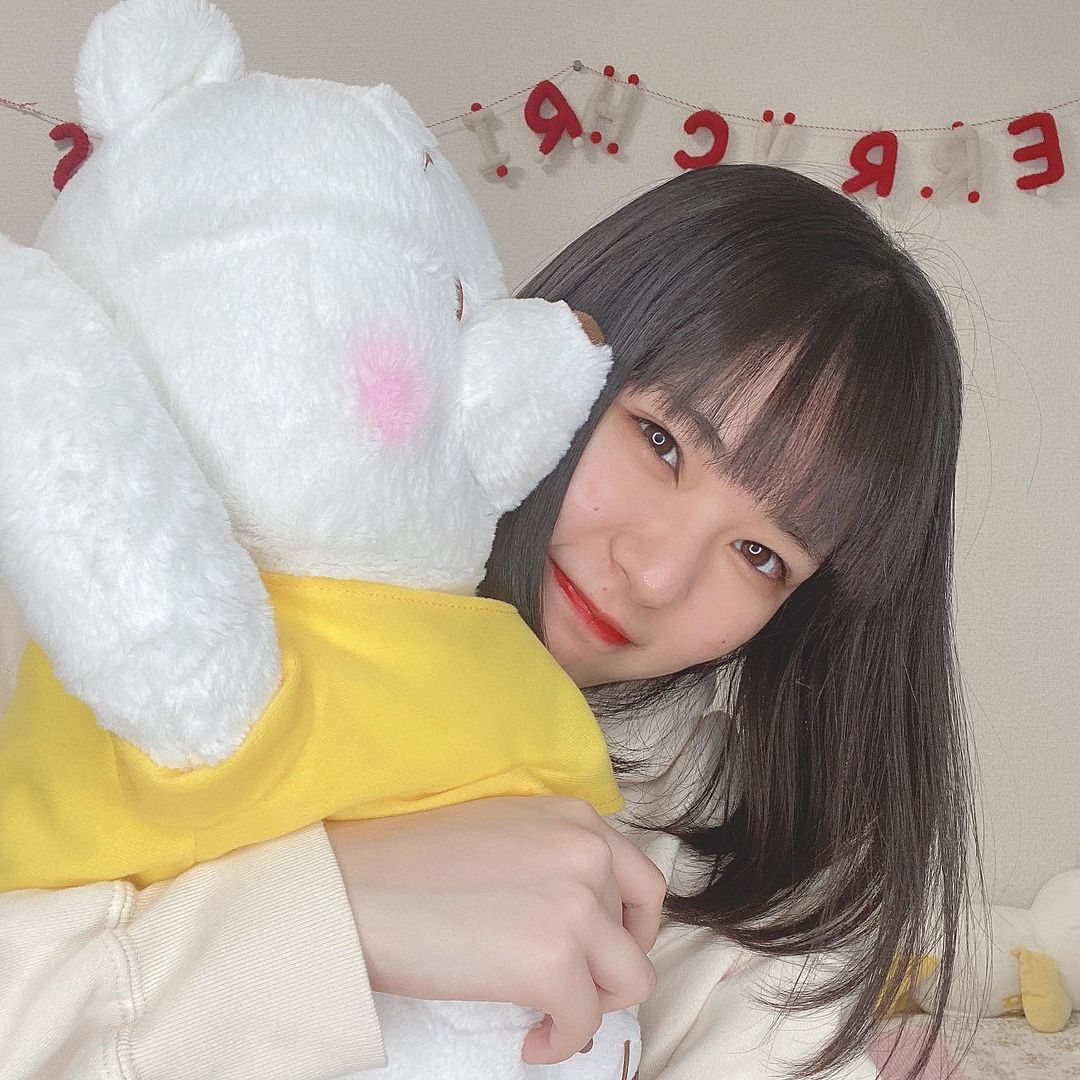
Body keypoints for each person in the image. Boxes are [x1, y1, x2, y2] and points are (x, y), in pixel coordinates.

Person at [0, 162, 976, 1080]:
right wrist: (339, 914)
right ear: (564, 353)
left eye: (761, 555)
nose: (654, 573)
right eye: (661, 441)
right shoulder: (168, 601)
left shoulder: (742, 860)